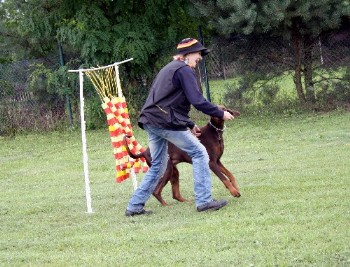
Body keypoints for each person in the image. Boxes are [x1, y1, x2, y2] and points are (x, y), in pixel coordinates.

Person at [125, 38, 235, 216]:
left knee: (159, 165)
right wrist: (220, 113)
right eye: (198, 53)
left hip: (151, 119)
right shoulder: (184, 70)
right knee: (200, 152)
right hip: (164, 121)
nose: (200, 57)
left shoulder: (171, 68)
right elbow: (197, 100)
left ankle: (134, 206)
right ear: (188, 54)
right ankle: (204, 201)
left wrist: (189, 123)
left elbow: (170, 99)